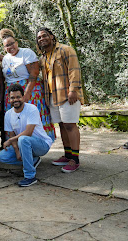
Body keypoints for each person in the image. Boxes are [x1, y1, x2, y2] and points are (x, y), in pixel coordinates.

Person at [37, 28, 84, 173]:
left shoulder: (65, 50)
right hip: (52, 96)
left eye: (44, 35)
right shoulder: (43, 57)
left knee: (70, 125)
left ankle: (74, 160)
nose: (42, 39)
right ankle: (67, 154)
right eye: (39, 37)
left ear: (51, 36)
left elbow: (74, 70)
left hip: (68, 95)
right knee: (62, 125)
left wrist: (73, 91)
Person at [0, 29, 54, 141]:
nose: (10, 47)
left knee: (30, 118)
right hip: (11, 91)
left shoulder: (26, 53)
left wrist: (27, 94)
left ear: (16, 43)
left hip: (29, 89)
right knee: (15, 119)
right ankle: (15, 145)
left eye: (12, 44)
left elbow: (33, 75)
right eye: (7, 46)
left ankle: (36, 145)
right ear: (4, 48)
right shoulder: (5, 58)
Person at [0, 84, 53, 187]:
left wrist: (10, 141)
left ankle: (30, 176)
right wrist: (17, 151)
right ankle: (33, 160)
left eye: (18, 97)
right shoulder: (8, 114)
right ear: (9, 99)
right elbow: (12, 134)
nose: (15, 100)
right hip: (23, 144)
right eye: (12, 98)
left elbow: (28, 132)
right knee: (1, 156)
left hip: (41, 145)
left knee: (23, 139)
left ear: (23, 97)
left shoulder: (32, 109)